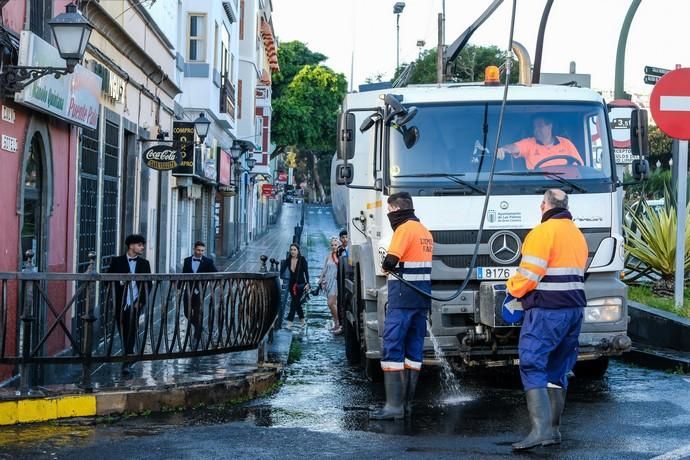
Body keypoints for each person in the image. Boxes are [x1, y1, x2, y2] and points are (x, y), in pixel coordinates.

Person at [506, 189, 588, 450]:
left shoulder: (541, 233)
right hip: (574, 309)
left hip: (547, 311)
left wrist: (512, 288)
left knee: (532, 363)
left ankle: (539, 431)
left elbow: (529, 275)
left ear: (544, 205)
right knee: (558, 368)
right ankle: (553, 430)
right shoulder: (576, 233)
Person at [370, 192, 433, 420]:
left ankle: (393, 407)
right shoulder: (425, 231)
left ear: (396, 209)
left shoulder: (404, 230)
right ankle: (407, 406)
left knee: (393, 346)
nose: (388, 215)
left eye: (388, 211)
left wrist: (386, 262)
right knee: (413, 350)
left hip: (402, 297)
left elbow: (390, 262)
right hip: (421, 298)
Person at [108, 234, 152, 375]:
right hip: (120, 302)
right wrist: (120, 281)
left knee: (132, 329)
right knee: (122, 328)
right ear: (131, 246)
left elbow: (148, 285)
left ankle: (128, 358)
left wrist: (140, 302)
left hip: (135, 303)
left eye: (142, 245)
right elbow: (107, 281)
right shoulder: (117, 261)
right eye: (139, 245)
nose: (142, 247)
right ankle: (128, 353)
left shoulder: (145, 263)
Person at [497, 116, 583, 170]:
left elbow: (579, 168)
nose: (536, 130)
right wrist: (504, 149)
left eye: (540, 126)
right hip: (537, 186)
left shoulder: (566, 143)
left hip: (566, 186)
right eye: (534, 127)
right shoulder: (529, 143)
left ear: (549, 127)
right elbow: (513, 147)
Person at [182, 241, 218, 342]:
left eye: (202, 251)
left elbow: (215, 273)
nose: (200, 252)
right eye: (198, 250)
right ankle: (199, 327)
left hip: (200, 291)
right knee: (186, 312)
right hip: (188, 289)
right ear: (194, 249)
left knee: (198, 312)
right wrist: (180, 287)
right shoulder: (187, 260)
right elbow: (183, 274)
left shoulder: (208, 262)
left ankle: (197, 335)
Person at [318, 237, 342, 334]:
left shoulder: (341, 255)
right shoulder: (329, 256)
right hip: (328, 281)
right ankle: (336, 323)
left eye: (335, 245)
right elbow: (325, 268)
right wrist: (321, 279)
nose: (333, 246)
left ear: (338, 245)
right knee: (331, 305)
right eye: (332, 245)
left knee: (331, 303)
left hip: (336, 282)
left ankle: (339, 323)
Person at [284, 243, 310, 330]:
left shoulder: (302, 260)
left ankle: (289, 322)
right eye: (291, 249)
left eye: (294, 250)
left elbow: (306, 272)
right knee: (297, 303)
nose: (292, 251)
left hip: (300, 285)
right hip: (292, 285)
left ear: (298, 251)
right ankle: (303, 321)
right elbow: (282, 271)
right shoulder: (288, 260)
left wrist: (308, 283)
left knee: (294, 303)